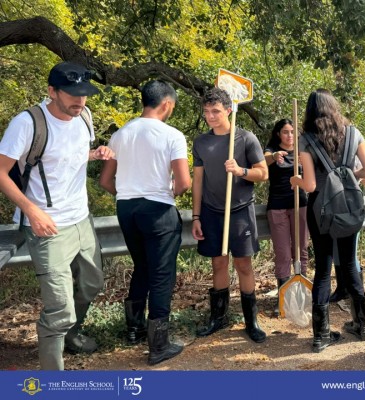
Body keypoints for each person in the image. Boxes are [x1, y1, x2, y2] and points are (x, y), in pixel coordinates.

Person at [0, 61, 112, 370]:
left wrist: (95, 154)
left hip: (81, 219)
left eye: (85, 94)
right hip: (47, 226)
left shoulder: (84, 117)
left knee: (91, 284)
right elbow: (1, 172)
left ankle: (70, 335)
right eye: (73, 94)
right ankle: (53, 379)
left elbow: (64, 155)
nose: (80, 101)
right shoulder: (27, 123)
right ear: (52, 91)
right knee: (60, 309)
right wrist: (31, 210)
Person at [99, 80, 190, 365]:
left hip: (127, 209)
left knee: (142, 266)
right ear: (167, 104)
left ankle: (134, 329)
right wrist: (169, 191)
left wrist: (127, 194)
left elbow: (105, 180)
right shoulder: (172, 135)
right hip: (158, 210)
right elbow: (184, 182)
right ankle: (158, 345)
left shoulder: (121, 134)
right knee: (162, 273)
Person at [290, 89, 365, 353]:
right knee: (350, 264)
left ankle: (321, 335)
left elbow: (311, 184)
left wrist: (296, 181)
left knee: (324, 268)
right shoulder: (354, 132)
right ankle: (361, 325)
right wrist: (349, 176)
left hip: (321, 210)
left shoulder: (306, 140)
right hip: (349, 206)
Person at [190, 88, 269, 342]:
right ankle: (219, 318)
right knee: (218, 263)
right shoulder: (201, 142)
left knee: (243, 264)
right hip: (212, 212)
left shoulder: (245, 138)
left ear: (228, 110)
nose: (210, 116)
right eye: (206, 112)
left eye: (215, 111)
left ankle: (251, 321)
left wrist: (241, 170)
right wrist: (196, 216)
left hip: (240, 211)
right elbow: (198, 181)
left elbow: (263, 173)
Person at [264, 118, 308, 289]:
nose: (290, 135)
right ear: (278, 134)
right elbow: (264, 160)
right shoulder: (272, 150)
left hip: (300, 204)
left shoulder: (303, 150)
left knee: (301, 249)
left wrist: (306, 163)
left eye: (292, 131)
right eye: (285, 132)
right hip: (277, 206)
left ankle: (302, 289)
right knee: (282, 253)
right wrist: (275, 157)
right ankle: (284, 293)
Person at [329, 156, 365, 305]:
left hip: (351, 208)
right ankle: (342, 289)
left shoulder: (355, 156)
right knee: (337, 251)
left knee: (351, 254)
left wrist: (355, 174)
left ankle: (358, 293)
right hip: (334, 207)